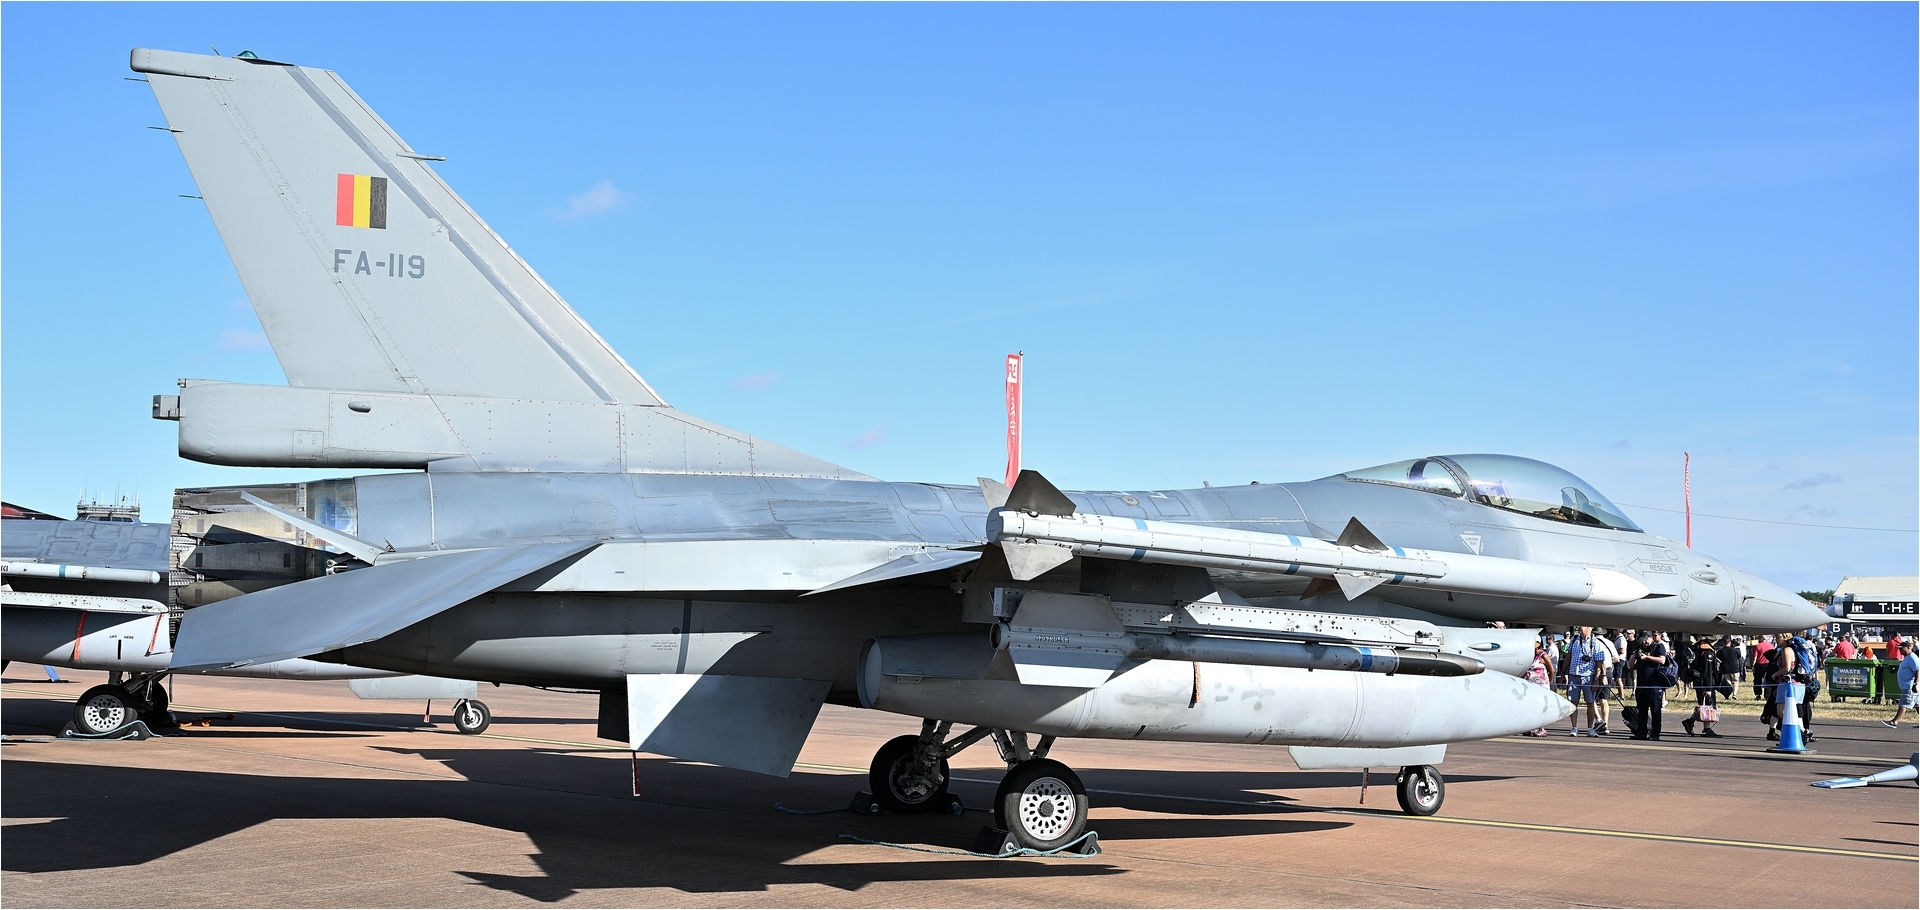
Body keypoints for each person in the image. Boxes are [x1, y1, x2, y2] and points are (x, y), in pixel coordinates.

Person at [1565, 627, 1608, 736]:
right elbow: (1568, 656)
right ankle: (1574, 727)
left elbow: (1599, 662)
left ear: (1589, 628)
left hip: (1588, 676)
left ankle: (1590, 728)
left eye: (1582, 626)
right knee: (1573, 702)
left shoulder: (1596, 643)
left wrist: (1597, 679)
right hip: (1574, 674)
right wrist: (1563, 672)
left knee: (1590, 702)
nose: (1579, 628)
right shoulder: (1574, 640)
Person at [1630, 630, 1670, 741]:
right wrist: (1635, 655)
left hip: (1654, 685)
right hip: (1641, 685)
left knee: (1655, 710)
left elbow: (1662, 660)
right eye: (1641, 641)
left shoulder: (1658, 647)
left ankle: (1655, 734)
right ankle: (1641, 733)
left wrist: (1647, 657)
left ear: (1651, 638)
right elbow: (1630, 665)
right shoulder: (1639, 648)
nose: (1644, 643)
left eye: (1645, 640)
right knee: (1641, 710)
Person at [1682, 638, 1723, 737]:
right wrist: (1708, 688)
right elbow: (1707, 671)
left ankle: (1691, 722)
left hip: (1700, 681)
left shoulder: (1700, 647)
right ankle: (1706, 729)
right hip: (1704, 682)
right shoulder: (1706, 650)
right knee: (1707, 706)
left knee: (1703, 705)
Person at [1882, 640, 1918, 728]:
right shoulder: (1907, 657)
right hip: (1909, 685)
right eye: (1899, 648)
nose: (1900, 650)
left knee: (1904, 704)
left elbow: (1918, 670)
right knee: (1918, 705)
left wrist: (1915, 684)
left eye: (1902, 648)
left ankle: (1894, 722)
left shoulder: (1912, 657)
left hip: (1910, 686)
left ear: (1909, 647)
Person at [1523, 645, 1553, 736]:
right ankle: (1532, 727)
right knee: (1531, 706)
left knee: (1541, 706)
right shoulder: (1528, 655)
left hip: (1541, 684)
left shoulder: (1542, 655)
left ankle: (1542, 728)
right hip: (1529, 685)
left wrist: (1549, 680)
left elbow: (1551, 670)